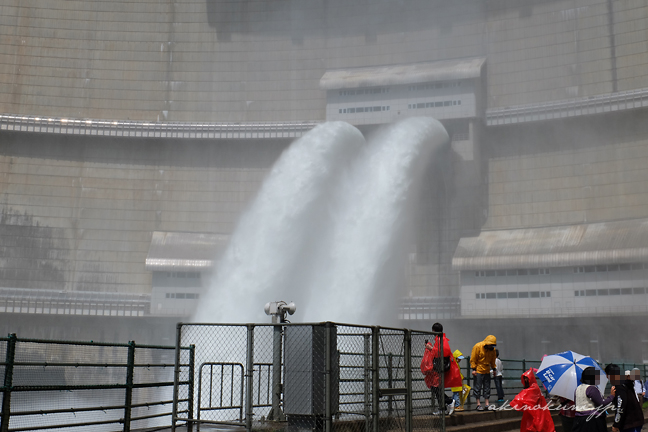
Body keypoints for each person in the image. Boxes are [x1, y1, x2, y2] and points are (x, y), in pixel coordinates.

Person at [420, 322, 462, 415]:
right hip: (438, 368)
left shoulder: (440, 339)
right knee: (436, 388)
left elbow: (442, 352)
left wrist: (430, 348)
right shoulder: (440, 339)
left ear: (434, 330)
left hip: (439, 369)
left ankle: (449, 401)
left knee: (436, 388)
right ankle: (442, 408)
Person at [510, 368, 555, 432]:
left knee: (535, 427)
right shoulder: (534, 387)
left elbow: (525, 395)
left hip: (536, 412)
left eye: (527, 378)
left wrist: (516, 401)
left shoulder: (534, 387)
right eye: (525, 378)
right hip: (534, 411)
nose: (525, 380)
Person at [573, 367, 615, 432]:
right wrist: (611, 396)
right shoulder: (591, 388)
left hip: (579, 420)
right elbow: (601, 404)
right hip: (592, 420)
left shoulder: (578, 388)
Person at [608, 364, 644, 432]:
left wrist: (616, 424)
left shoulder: (619, 385)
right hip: (636, 420)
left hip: (629, 423)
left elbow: (621, 405)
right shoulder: (627, 383)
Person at [470, 335, 497, 411]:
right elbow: (473, 358)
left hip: (487, 370)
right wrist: (474, 369)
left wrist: (494, 368)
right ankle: (478, 404)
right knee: (477, 387)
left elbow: (493, 360)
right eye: (490, 345)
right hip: (478, 370)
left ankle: (487, 404)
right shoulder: (478, 346)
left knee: (487, 387)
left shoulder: (493, 350)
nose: (491, 347)